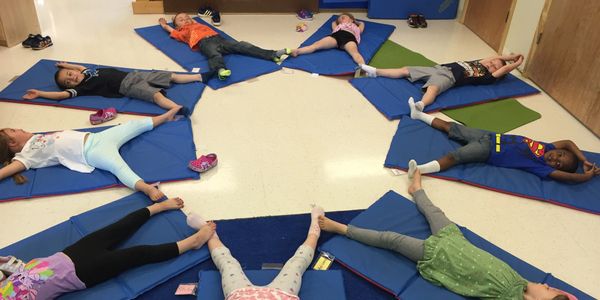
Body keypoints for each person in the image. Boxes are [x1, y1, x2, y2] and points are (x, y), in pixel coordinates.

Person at [319, 169, 573, 300]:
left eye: (549, 290)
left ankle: (340, 228)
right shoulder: (522, 282)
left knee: (392, 240)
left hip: (439, 257)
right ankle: (417, 189)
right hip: (454, 239)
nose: (546, 284)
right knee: (434, 212)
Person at [0, 197, 216, 300]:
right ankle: (193, 242)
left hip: (66, 255)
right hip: (80, 274)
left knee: (118, 228)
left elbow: (10, 263)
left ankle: (158, 206)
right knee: (137, 254)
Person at [0, 107, 183, 201]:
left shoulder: (34, 138)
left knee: (132, 126)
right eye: (14, 130)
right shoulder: (25, 157)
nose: (19, 128)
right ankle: (147, 188)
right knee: (118, 167)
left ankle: (165, 117)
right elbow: (6, 172)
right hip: (91, 151)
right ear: (13, 143)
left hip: (97, 137)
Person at [405, 98, 600, 183]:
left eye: (558, 164)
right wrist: (583, 159)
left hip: (486, 151)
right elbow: (567, 142)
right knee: (451, 127)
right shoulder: (548, 147)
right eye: (559, 155)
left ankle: (419, 170)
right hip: (489, 135)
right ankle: (418, 115)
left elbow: (570, 177)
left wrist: (586, 176)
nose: (554, 158)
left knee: (455, 156)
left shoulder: (542, 167)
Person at [204, 205, 324, 299]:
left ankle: (209, 233)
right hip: (280, 295)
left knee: (227, 264)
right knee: (296, 264)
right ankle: (314, 232)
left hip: (241, 295)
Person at [22, 61, 212, 115]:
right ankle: (176, 108)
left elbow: (79, 68)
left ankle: (199, 76)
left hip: (135, 74)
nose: (73, 78)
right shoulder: (83, 87)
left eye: (70, 75)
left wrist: (65, 66)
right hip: (127, 85)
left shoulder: (86, 72)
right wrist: (39, 93)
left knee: (169, 76)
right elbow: (60, 95)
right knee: (155, 95)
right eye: (69, 81)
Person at [359, 54, 524, 111]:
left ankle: (420, 106)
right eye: (491, 62)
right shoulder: (479, 63)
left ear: (495, 72)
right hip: (437, 68)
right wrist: (508, 57)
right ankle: (375, 71)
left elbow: (502, 69)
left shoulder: (485, 76)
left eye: (494, 66)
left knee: (432, 89)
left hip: (449, 78)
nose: (490, 64)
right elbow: (495, 58)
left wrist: (515, 64)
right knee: (404, 70)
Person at [158, 13, 290, 80]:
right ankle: (220, 70)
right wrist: (164, 25)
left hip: (219, 39)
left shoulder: (197, 24)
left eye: (187, 17)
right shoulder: (182, 32)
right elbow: (171, 30)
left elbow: (195, 19)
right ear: (177, 26)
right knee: (214, 54)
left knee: (242, 45)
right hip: (204, 42)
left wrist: (192, 20)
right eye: (181, 19)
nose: (186, 19)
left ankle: (273, 55)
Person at [291, 13, 365, 66]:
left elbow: (362, 24)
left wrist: (355, 22)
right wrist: (339, 21)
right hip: (336, 36)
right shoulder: (338, 26)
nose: (341, 19)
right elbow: (333, 23)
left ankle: (363, 67)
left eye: (343, 17)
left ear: (351, 19)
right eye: (339, 19)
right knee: (316, 45)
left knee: (355, 53)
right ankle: (298, 51)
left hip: (350, 38)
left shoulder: (356, 27)